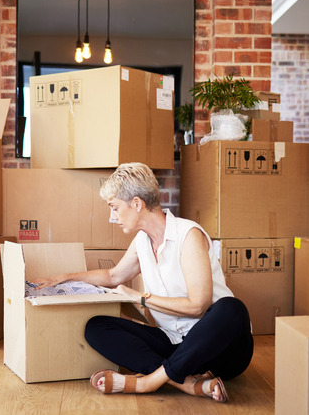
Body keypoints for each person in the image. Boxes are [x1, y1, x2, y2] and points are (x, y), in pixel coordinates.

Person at [32, 162, 254, 403]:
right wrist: (62, 278)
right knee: (96, 327)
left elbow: (197, 306)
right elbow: (114, 276)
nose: (111, 217)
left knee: (232, 308)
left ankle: (150, 381)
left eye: (115, 208)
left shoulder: (188, 235)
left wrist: (140, 298)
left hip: (220, 349)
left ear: (136, 204)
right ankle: (187, 383)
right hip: (175, 343)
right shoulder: (142, 241)